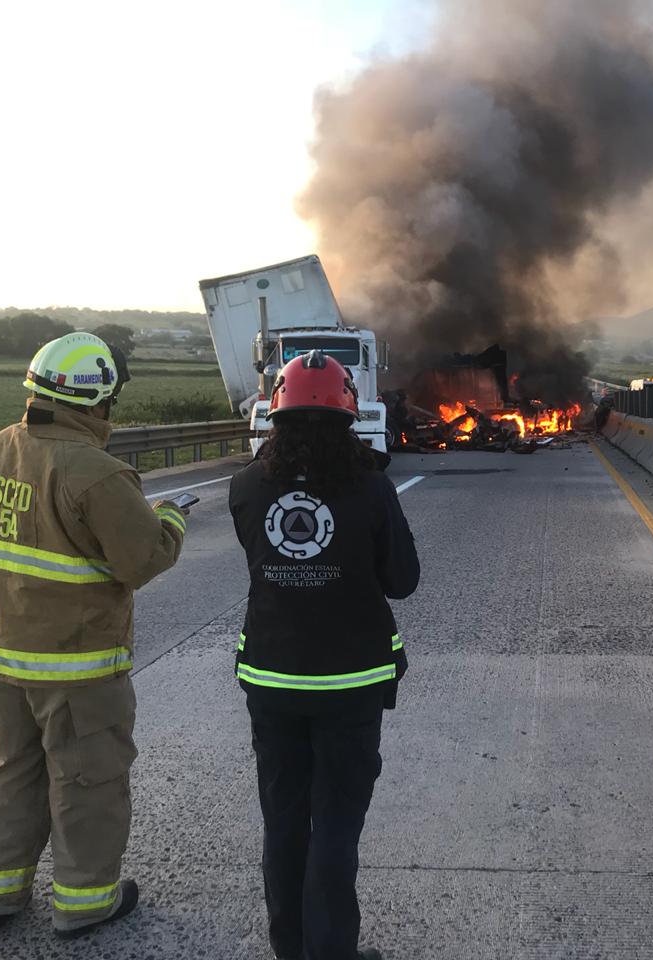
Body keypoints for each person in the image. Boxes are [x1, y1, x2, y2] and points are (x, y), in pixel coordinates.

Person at [0, 332, 187, 939]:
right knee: (88, 781)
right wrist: (170, 520)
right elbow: (141, 559)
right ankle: (84, 904)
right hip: (78, 669)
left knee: (4, 771)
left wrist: (11, 611)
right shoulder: (97, 473)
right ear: (97, 400)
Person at [228, 350, 419, 960]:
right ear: (349, 415)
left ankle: (290, 947)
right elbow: (402, 581)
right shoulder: (371, 485)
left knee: (283, 820)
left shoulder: (246, 485)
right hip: (351, 684)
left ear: (275, 415)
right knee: (336, 823)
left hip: (272, 678)